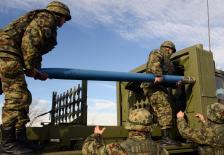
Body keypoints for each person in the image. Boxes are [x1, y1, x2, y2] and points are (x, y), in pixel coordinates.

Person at [0, 1, 71, 154]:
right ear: (60, 15)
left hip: (8, 54)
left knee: (23, 97)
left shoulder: (44, 19)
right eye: (65, 19)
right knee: (18, 97)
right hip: (6, 53)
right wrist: (30, 67)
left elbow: (35, 50)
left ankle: (19, 140)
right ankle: (8, 143)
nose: (64, 22)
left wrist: (36, 71)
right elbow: (30, 41)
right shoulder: (47, 17)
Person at [140, 41, 178, 145]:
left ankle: (165, 136)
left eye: (172, 51)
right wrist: (158, 74)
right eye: (170, 50)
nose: (170, 52)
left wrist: (175, 84)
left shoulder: (169, 63)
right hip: (153, 87)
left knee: (165, 110)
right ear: (166, 48)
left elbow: (168, 79)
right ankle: (165, 138)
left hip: (160, 88)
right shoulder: (157, 52)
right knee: (165, 109)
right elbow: (154, 63)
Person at [82, 108, 160, 155]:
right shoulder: (160, 150)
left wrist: (96, 135)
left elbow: (87, 150)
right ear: (149, 127)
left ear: (129, 125)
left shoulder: (116, 149)